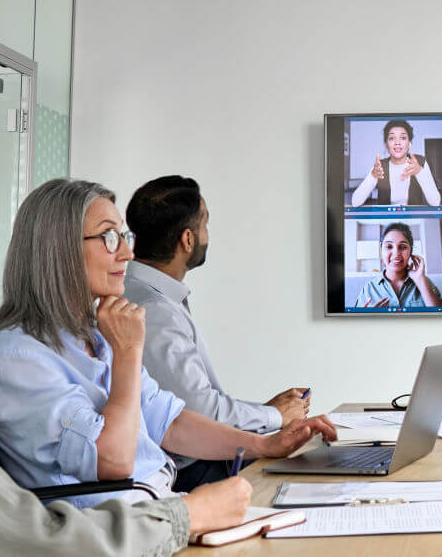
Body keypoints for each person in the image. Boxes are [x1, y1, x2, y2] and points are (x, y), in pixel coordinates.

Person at [0, 178, 337, 508]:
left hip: (160, 510)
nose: (127, 254)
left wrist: (263, 444)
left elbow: (169, 422)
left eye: (124, 237)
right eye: (108, 237)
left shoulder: (95, 338)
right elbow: (113, 461)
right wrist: (128, 353)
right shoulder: (14, 357)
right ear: (59, 250)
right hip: (115, 533)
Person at [123, 175, 314, 492]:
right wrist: (274, 416)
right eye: (205, 225)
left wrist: (265, 414)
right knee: (305, 472)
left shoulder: (143, 294)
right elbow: (199, 411)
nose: (207, 236)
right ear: (187, 239)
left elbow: (192, 402)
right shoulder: (155, 312)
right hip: (191, 471)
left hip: (193, 460)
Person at [0, 414, 250, 557]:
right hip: (124, 528)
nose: (126, 270)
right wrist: (189, 514)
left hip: (146, 519)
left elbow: (165, 416)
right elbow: (45, 545)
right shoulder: (19, 359)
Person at [350, 119, 441, 206]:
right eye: (392, 138)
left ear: (409, 143)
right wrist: (373, 177)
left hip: (415, 221)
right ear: (386, 144)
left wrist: (419, 172)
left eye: (403, 138)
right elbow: (355, 202)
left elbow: (435, 202)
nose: (397, 142)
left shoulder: (420, 162)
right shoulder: (379, 166)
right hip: (386, 221)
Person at [354, 222, 442, 308]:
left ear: (411, 252)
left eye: (403, 247)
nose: (396, 253)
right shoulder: (369, 289)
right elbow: (355, 323)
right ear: (381, 250)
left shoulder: (424, 282)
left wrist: (420, 280)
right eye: (389, 246)